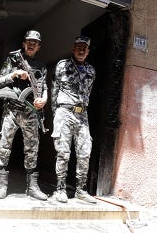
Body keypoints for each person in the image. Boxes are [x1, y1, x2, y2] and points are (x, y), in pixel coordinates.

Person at [0, 30, 48, 200]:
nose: (31, 44)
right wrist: (14, 74)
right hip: (12, 109)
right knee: (4, 146)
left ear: (38, 47)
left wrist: (44, 100)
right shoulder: (13, 59)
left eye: (35, 43)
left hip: (31, 111)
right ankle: (2, 186)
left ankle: (32, 187)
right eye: (28, 42)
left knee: (32, 149)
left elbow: (44, 88)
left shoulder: (41, 65)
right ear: (24, 44)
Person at [51, 36, 97, 203]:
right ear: (73, 48)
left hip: (82, 115)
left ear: (88, 51)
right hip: (65, 112)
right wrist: (55, 113)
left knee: (85, 152)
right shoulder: (62, 65)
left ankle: (80, 190)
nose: (81, 50)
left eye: (85, 48)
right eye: (78, 47)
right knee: (63, 152)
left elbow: (88, 92)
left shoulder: (91, 71)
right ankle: (60, 189)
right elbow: (54, 88)